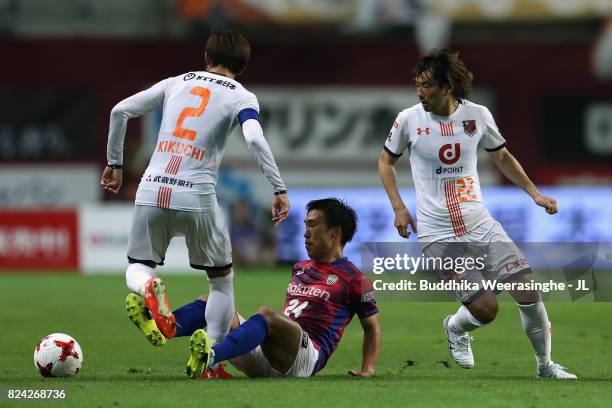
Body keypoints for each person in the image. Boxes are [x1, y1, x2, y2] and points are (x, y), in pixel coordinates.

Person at [377, 49, 576, 379]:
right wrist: (399, 207)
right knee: (486, 308)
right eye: (417, 84)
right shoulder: (408, 119)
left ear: (448, 86)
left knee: (527, 289)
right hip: (439, 235)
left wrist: (535, 193)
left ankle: (545, 366)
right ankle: (456, 327)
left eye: (427, 85)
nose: (420, 92)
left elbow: (502, 158)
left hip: (480, 225)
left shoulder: (478, 116)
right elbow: (385, 162)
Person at [102, 29, 290, 355]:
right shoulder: (242, 96)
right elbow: (256, 139)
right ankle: (211, 354)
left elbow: (120, 111)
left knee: (138, 266)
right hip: (197, 194)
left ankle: (148, 286)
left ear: (206, 58)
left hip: (152, 187)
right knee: (220, 281)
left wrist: (115, 164)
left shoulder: (176, 82)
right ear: (243, 66)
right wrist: (278, 187)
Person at [127, 198, 381, 379]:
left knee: (267, 315)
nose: (305, 233)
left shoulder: (354, 279)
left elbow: (372, 328)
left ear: (335, 232)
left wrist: (368, 370)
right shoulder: (301, 267)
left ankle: (210, 357)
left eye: (313, 225)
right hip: (268, 352)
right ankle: (166, 326)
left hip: (304, 359)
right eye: (305, 225)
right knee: (213, 303)